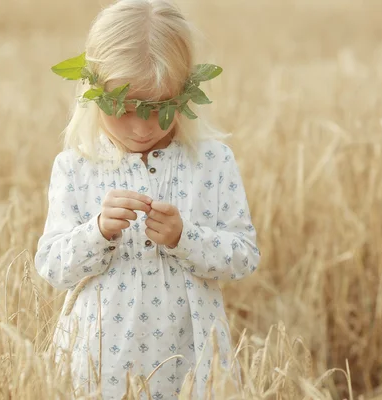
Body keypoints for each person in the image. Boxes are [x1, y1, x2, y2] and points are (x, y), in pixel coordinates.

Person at [35, 0, 260, 398]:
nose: (141, 127)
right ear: (93, 92)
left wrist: (183, 238)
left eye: (159, 107)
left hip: (192, 360)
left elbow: (243, 257)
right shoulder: (76, 166)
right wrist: (97, 232)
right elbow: (52, 267)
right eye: (122, 107)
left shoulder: (211, 161)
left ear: (184, 95)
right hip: (100, 359)